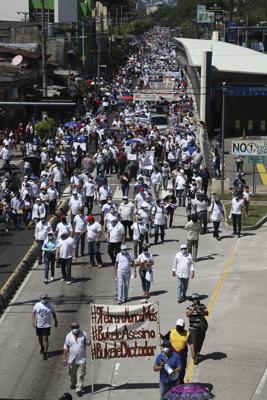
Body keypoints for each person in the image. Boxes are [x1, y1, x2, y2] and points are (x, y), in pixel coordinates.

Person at [161, 319, 194, 384]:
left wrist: (193, 353)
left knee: (182, 369)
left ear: (184, 326)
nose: (179, 328)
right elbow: (165, 339)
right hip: (172, 355)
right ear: (176, 326)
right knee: (171, 368)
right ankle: (173, 381)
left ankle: (180, 382)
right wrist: (161, 336)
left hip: (182, 355)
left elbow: (191, 344)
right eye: (178, 326)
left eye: (180, 326)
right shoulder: (171, 331)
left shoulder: (187, 334)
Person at [63, 322, 87, 397]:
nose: (75, 329)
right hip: (72, 359)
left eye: (76, 327)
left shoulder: (84, 334)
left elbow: (88, 343)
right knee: (72, 374)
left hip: (81, 358)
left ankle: (79, 389)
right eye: (73, 327)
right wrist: (64, 358)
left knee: (80, 374)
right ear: (71, 328)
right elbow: (66, 348)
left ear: (79, 327)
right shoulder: (68, 336)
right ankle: (74, 383)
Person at [32, 292, 58, 360]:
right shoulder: (37, 305)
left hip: (46, 325)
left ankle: (45, 353)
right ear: (41, 298)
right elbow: (34, 313)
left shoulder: (50, 305)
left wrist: (56, 321)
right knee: (40, 338)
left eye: (45, 298)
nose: (44, 299)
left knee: (45, 339)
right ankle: (42, 347)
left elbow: (53, 313)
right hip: (39, 325)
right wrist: (33, 321)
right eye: (43, 298)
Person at [186, 293, 209, 365]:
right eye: (194, 299)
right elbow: (188, 315)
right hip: (193, 328)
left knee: (200, 342)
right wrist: (193, 309)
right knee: (194, 341)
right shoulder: (190, 307)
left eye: (196, 299)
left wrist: (200, 308)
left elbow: (207, 313)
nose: (195, 300)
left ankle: (197, 353)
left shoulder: (202, 306)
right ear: (192, 300)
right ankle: (194, 355)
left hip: (202, 328)